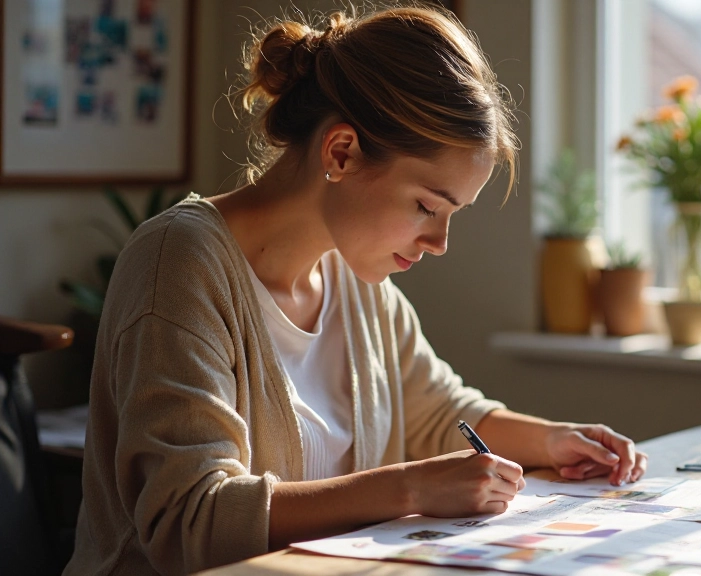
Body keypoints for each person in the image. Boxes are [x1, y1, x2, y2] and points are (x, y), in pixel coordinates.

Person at [64, 6, 647, 575]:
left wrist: (555, 440)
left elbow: (439, 412)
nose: (440, 242)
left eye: (452, 215)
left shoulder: (353, 275)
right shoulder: (179, 262)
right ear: (341, 152)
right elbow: (188, 521)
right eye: (426, 206)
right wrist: (411, 487)